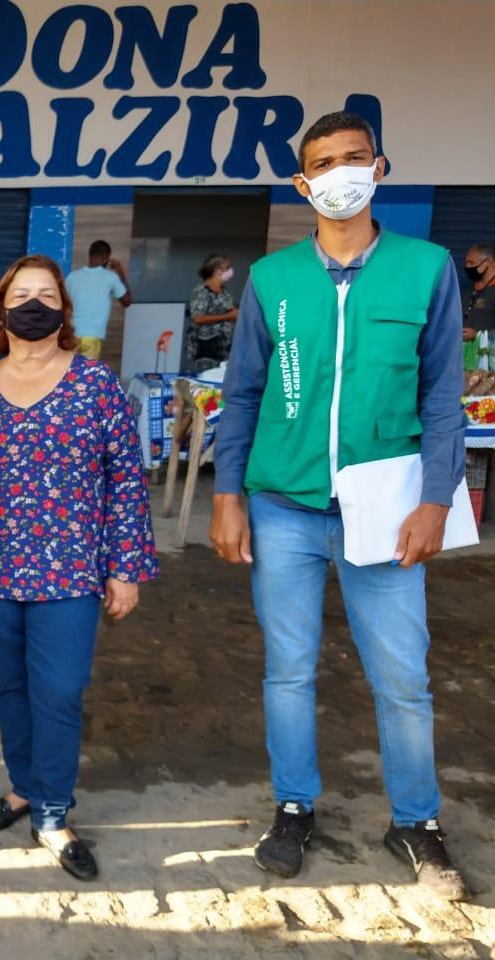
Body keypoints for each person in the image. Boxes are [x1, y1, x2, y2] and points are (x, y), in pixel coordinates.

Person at [211, 112, 469, 901]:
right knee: (288, 671)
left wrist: (436, 499)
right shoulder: (273, 279)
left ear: (379, 167)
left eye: (354, 158)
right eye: (323, 163)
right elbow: (243, 392)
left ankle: (416, 821)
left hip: (386, 508)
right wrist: (226, 494)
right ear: (303, 183)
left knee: (402, 675)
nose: (340, 173)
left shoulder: (426, 268)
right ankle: (294, 807)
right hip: (284, 504)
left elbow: (444, 396)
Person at [0, 254, 157, 878]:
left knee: (58, 691)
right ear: (0, 310)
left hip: (70, 570)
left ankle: (54, 813)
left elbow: (125, 477)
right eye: (20, 295)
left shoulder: (95, 384)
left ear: (64, 310)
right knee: (10, 687)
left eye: (45, 295)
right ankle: (23, 787)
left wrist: (125, 567)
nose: (32, 304)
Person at [64, 240, 132, 361]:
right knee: (87, 371)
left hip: (71, 335)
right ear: (106, 258)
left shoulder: (72, 277)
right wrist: (120, 272)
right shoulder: (111, 277)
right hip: (92, 337)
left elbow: (63, 305)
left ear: (90, 254)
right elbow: (127, 301)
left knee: (68, 369)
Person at [185, 254, 238, 373]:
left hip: (222, 349)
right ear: (216, 271)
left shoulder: (224, 292)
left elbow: (231, 310)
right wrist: (228, 316)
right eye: (227, 268)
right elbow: (197, 318)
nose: (230, 271)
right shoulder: (201, 291)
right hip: (204, 349)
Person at [462, 242, 495, 371]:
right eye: (466, 263)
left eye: (471, 263)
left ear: (488, 263)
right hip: (466, 365)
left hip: (489, 367)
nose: (467, 267)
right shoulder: (469, 291)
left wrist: (478, 335)